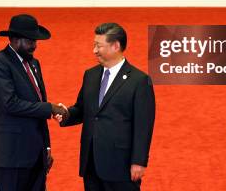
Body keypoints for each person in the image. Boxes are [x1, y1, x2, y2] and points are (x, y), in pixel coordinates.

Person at [59, 22, 155, 190]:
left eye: (98, 46)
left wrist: (139, 161)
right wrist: (66, 114)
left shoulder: (139, 81)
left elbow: (143, 126)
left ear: (116, 46)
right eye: (94, 45)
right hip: (91, 163)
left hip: (121, 165)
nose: (94, 50)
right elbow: (82, 109)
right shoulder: (90, 75)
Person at [0, 14, 67, 191]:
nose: (35, 45)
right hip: (11, 156)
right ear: (14, 39)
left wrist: (46, 147)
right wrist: (50, 108)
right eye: (30, 40)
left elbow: (39, 105)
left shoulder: (34, 64)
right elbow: (10, 103)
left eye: (35, 40)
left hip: (35, 155)